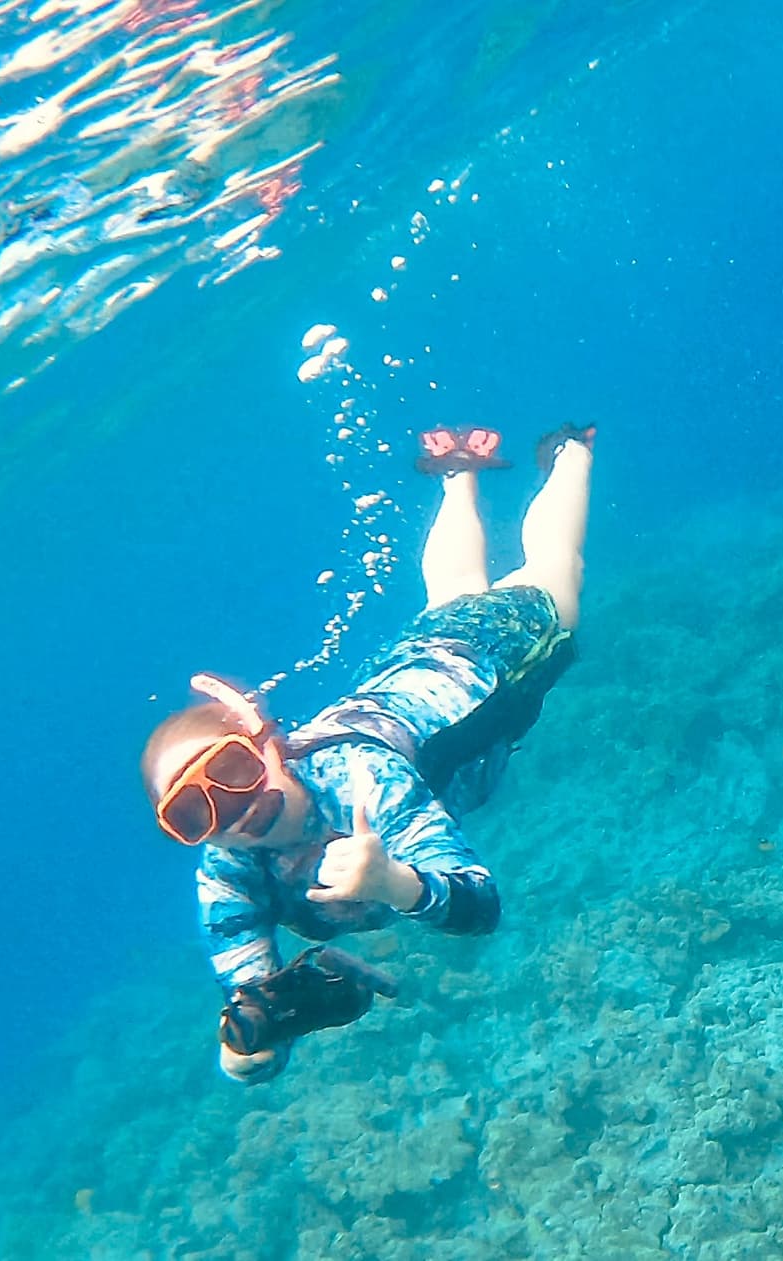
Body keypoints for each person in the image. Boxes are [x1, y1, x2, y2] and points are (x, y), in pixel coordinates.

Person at [141, 423, 594, 1083]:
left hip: (493, 659)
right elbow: (248, 1014)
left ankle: (571, 450)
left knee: (557, 570)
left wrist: (393, 883)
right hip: (415, 663)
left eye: (231, 771)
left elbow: (481, 903)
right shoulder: (228, 870)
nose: (232, 811)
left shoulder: (363, 783)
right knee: (452, 589)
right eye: (195, 812)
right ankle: (459, 469)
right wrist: (250, 1038)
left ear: (269, 744)